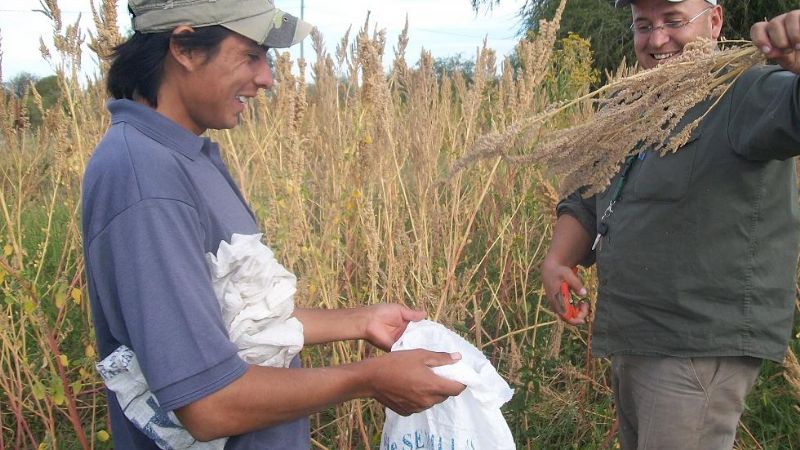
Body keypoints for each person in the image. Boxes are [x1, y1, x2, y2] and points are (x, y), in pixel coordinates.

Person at [81, 1, 465, 448]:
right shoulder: (145, 179)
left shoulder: (181, 155)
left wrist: (361, 321)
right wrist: (368, 379)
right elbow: (208, 405)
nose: (266, 78)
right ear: (184, 47)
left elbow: (234, 324)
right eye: (250, 55)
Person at [541, 0, 800, 448]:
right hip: (634, 334)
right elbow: (588, 189)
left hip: (694, 346)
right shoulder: (628, 101)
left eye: (674, 21)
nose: (658, 39)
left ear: (715, 21)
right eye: (644, 25)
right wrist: (559, 258)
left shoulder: (745, 89)